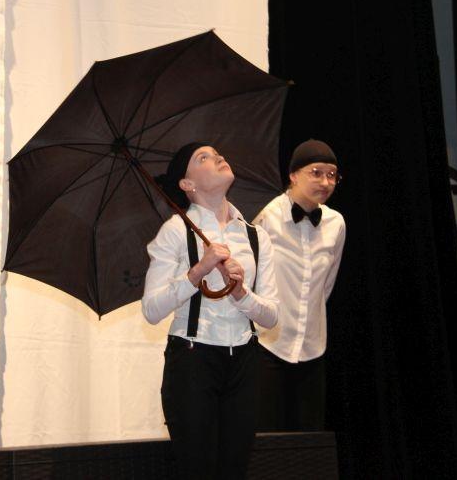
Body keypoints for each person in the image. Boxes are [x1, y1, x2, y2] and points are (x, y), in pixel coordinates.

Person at [142, 143, 279, 479]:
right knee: (197, 467)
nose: (218, 157)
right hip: (193, 359)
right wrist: (198, 271)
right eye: (202, 157)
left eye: (217, 153)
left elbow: (272, 316)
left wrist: (241, 293)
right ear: (187, 184)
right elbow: (151, 309)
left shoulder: (256, 236)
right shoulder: (175, 231)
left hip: (245, 359)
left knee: (235, 468)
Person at [252, 139, 346, 431]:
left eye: (332, 175)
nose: (325, 182)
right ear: (293, 175)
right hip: (269, 344)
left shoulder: (336, 223)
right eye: (316, 173)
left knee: (310, 438)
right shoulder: (267, 217)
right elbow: (253, 280)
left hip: (312, 345)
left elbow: (326, 285)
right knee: (267, 437)